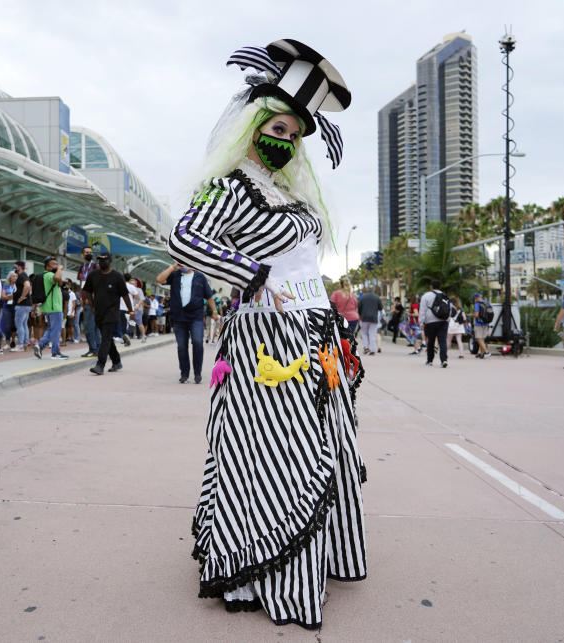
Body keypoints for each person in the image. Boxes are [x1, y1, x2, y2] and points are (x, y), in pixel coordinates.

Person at [167, 40, 364, 628]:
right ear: (254, 126)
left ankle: (309, 559)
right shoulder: (230, 186)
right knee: (279, 454)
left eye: (296, 133)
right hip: (265, 342)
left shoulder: (289, 192)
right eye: (278, 126)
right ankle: (258, 568)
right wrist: (251, 279)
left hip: (312, 331)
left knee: (322, 446)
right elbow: (182, 240)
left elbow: (303, 265)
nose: (286, 139)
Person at [156, 263, 219, 383]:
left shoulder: (200, 277)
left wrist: (214, 312)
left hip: (196, 316)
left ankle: (197, 373)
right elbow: (159, 279)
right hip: (179, 317)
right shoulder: (174, 275)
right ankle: (184, 373)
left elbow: (209, 297)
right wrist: (172, 267)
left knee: (197, 342)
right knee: (181, 346)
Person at [83, 251, 132, 374]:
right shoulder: (93, 275)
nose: (101, 262)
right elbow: (87, 291)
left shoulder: (117, 276)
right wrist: (92, 305)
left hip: (112, 312)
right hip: (98, 312)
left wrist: (131, 311)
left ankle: (100, 365)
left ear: (110, 261)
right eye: (100, 260)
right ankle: (117, 362)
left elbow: (125, 295)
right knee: (108, 339)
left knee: (104, 338)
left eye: (104, 260)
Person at [39, 256, 69, 360]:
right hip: (54, 307)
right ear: (47, 266)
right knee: (56, 331)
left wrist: (58, 272)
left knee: (52, 329)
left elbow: (60, 283)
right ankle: (55, 353)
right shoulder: (49, 275)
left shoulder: (48, 275)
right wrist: (59, 269)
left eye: (56, 264)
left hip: (50, 307)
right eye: (53, 264)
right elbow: (57, 279)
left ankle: (39, 346)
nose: (56, 266)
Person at [418, 279, 451, 368]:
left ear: (431, 286)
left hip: (430, 321)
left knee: (431, 341)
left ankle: (430, 361)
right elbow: (449, 308)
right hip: (443, 321)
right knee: (442, 341)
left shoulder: (426, 296)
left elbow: (422, 310)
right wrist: (448, 320)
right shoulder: (445, 295)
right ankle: (444, 360)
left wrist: (421, 322)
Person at [76, 245, 100, 358]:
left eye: (90, 252)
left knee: (88, 326)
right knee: (93, 326)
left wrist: (91, 299)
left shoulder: (96, 266)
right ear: (82, 255)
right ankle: (97, 349)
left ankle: (93, 349)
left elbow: (98, 284)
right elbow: (81, 283)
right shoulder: (81, 267)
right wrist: (81, 297)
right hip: (84, 300)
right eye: (86, 252)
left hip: (93, 301)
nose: (88, 254)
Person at [11, 260, 32, 352]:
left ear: (19, 267)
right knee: (24, 324)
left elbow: (27, 286)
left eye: (15, 267)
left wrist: (22, 297)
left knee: (19, 324)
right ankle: (25, 344)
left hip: (22, 305)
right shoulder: (23, 275)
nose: (14, 268)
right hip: (26, 304)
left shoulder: (22, 276)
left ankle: (20, 345)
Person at [357, 286, 382, 355]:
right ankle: (372, 350)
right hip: (374, 318)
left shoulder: (363, 297)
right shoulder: (377, 297)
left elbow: (359, 307)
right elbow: (380, 308)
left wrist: (360, 315)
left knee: (364, 333)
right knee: (372, 334)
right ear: (373, 290)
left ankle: (366, 347)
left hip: (364, 318)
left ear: (367, 290)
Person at [472, 293, 491, 359]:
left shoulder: (477, 304)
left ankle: (486, 352)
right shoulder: (488, 303)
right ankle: (481, 354)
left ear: (476, 298)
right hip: (486, 323)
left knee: (478, 338)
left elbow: (476, 315)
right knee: (482, 339)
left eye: (474, 299)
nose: (474, 300)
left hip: (478, 323)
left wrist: (470, 315)